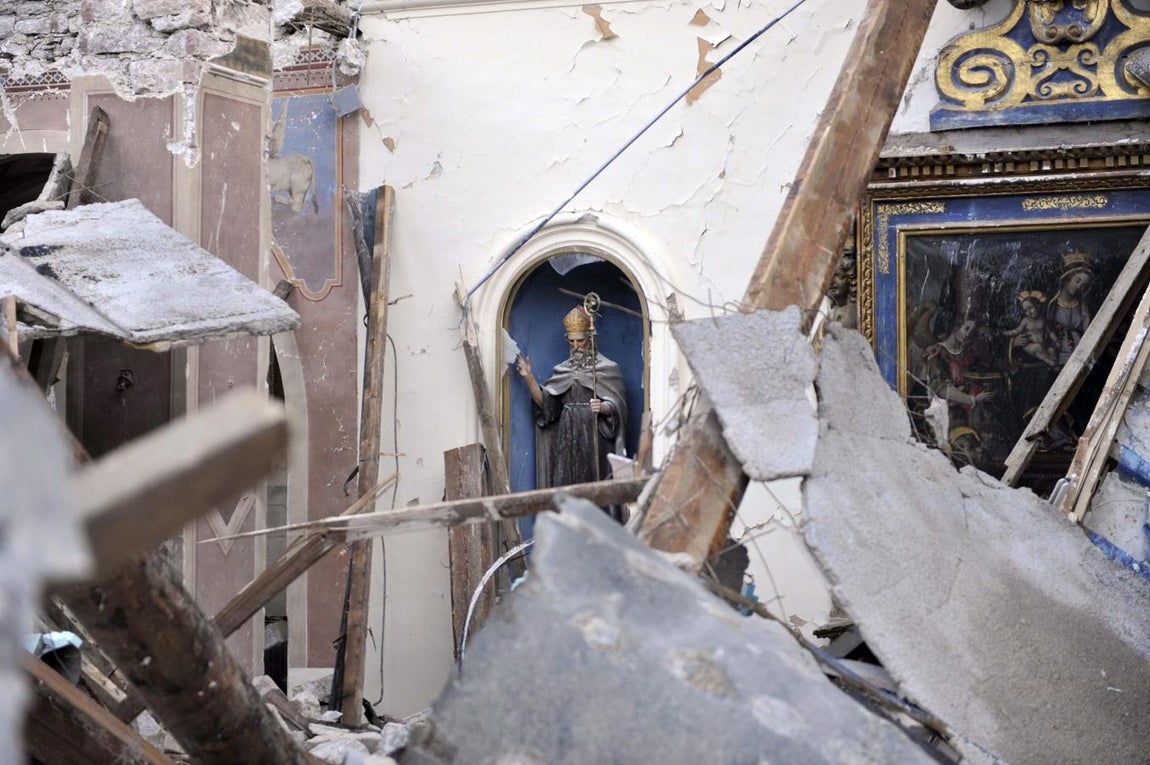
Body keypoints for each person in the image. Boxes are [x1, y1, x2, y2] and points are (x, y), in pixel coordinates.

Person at [515, 304, 628, 521]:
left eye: (581, 341)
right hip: (567, 439)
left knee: (595, 490)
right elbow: (548, 407)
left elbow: (619, 407)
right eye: (572, 341)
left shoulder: (607, 368)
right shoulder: (562, 370)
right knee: (566, 487)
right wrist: (529, 378)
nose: (576, 346)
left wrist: (605, 407)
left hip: (595, 439)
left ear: (590, 338)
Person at [1048, 251, 1095, 365]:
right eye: (1077, 281)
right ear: (1068, 278)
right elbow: (1045, 329)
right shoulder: (1052, 305)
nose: (1079, 287)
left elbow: (1087, 332)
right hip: (1058, 348)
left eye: (1083, 286)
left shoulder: (1082, 307)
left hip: (1078, 350)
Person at [1004, 291, 1057, 367]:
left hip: (1042, 345)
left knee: (1051, 350)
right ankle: (1050, 362)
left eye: (1031, 308)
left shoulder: (1042, 320)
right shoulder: (1025, 321)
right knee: (1038, 347)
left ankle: (1054, 364)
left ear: (1038, 306)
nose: (1029, 312)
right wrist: (1006, 333)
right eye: (1026, 310)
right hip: (1029, 346)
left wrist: (1056, 339)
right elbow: (1016, 331)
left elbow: (1050, 332)